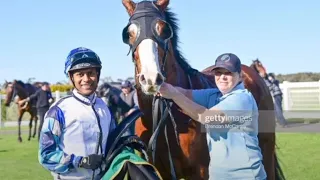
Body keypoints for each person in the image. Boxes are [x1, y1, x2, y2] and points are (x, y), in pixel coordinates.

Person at [159, 53, 267, 180]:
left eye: (228, 73)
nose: (222, 77)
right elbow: (185, 93)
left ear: (239, 77)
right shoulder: (215, 95)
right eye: (218, 73)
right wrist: (163, 87)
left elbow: (207, 118)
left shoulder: (242, 98)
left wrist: (174, 95)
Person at [38, 47, 117, 180]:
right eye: (80, 74)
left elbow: (113, 143)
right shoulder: (59, 111)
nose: (86, 79)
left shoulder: (104, 107)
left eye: (91, 73)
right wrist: (79, 161)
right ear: (71, 77)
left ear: (98, 74)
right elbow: (45, 155)